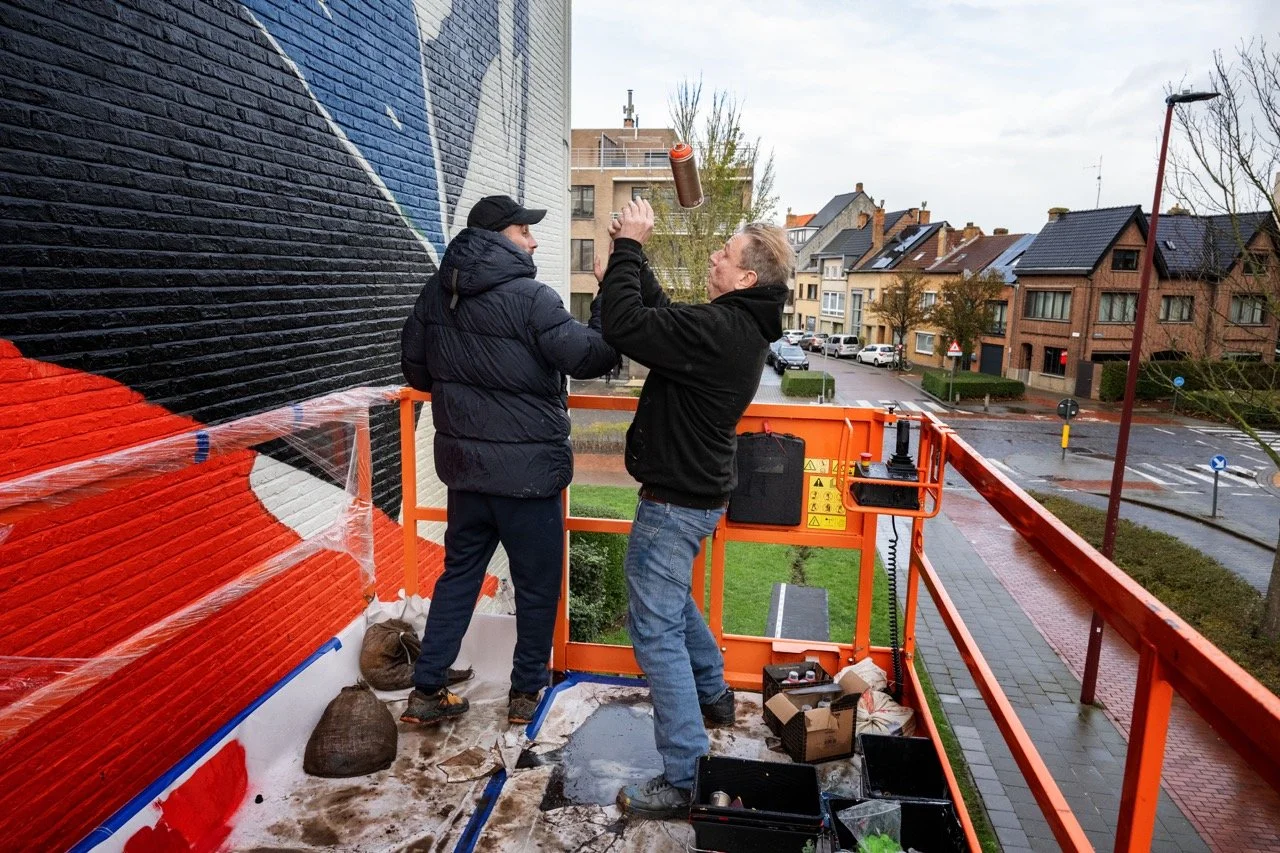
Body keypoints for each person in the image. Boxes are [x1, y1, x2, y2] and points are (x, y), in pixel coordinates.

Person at [596, 199, 793, 819]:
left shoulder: (721, 331)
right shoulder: (734, 326)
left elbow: (627, 326)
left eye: (724, 254)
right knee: (671, 601)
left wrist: (629, 245)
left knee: (654, 629)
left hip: (674, 502)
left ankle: (684, 777)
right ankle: (714, 695)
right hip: (695, 498)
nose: (714, 255)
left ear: (746, 279)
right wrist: (629, 262)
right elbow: (658, 314)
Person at [400, 195, 617, 726]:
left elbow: (417, 373)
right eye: (525, 230)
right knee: (539, 584)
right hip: (528, 480)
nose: (534, 240)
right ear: (499, 235)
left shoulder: (437, 293)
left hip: (466, 476)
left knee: (458, 578)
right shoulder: (532, 298)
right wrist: (612, 296)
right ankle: (524, 694)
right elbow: (589, 356)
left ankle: (426, 690)